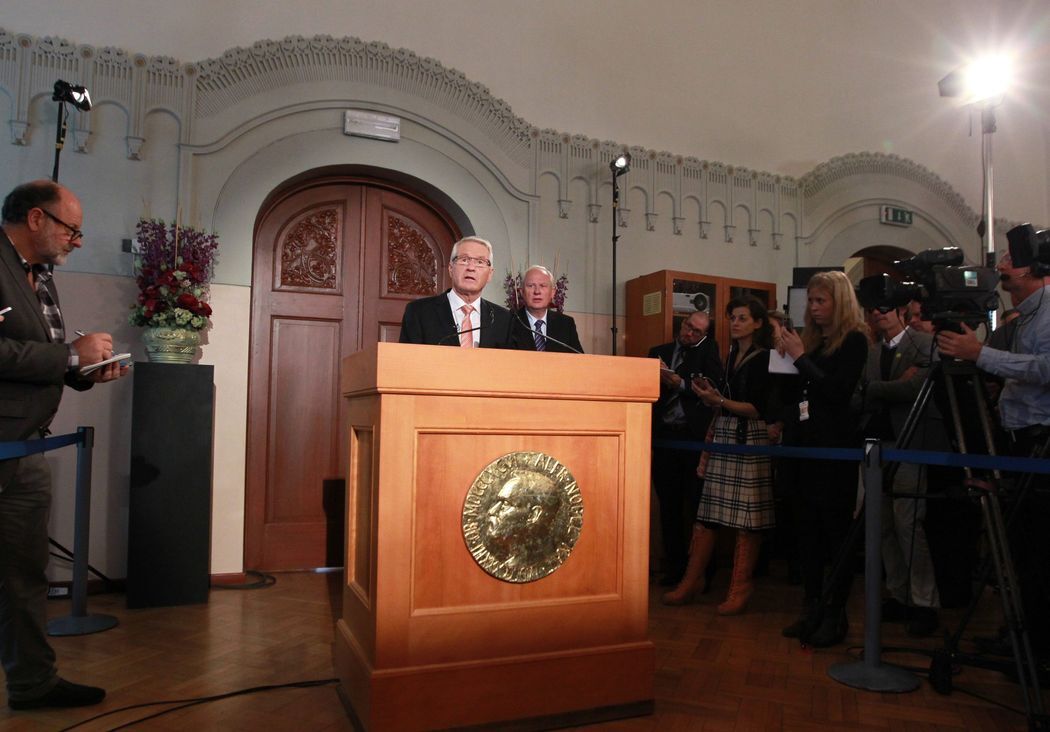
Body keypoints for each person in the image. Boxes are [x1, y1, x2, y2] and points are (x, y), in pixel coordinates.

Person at [0, 180, 129, 710]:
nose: (76, 241)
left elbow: (41, 356)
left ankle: (33, 683)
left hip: (25, 450)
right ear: (36, 219)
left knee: (24, 577)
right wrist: (71, 356)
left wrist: (86, 370)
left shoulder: (42, 276)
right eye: (71, 230)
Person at [937, 247, 1050, 658]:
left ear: (1038, 267)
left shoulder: (1049, 311)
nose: (1000, 267)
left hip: (1041, 442)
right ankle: (1023, 634)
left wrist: (979, 354)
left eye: (1011, 260)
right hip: (1019, 438)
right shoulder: (1028, 315)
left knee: (1039, 552)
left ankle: (1038, 647)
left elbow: (1046, 368)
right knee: (1024, 549)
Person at [663, 296, 774, 614]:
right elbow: (728, 398)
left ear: (757, 323)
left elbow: (758, 409)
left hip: (749, 437)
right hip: (724, 432)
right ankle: (692, 581)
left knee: (747, 519)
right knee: (707, 513)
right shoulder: (731, 354)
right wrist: (712, 396)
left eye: (742, 318)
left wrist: (718, 401)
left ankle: (740, 588)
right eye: (732, 318)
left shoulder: (764, 358)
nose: (735, 323)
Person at [778, 271, 869, 647]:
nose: (813, 308)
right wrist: (787, 359)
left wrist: (799, 358)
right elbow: (798, 393)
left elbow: (836, 393)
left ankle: (835, 613)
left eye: (821, 301)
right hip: (804, 447)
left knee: (835, 534)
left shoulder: (855, 341)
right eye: (811, 301)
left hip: (834, 450)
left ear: (839, 302)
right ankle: (812, 607)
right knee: (807, 533)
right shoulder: (813, 343)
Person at [856, 303, 942, 636]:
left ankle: (924, 602)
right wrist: (886, 388)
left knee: (908, 524)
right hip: (876, 443)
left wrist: (875, 389)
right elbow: (858, 396)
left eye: (886, 307)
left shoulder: (923, 343)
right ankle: (900, 594)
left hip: (909, 443)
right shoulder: (872, 351)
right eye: (873, 309)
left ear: (901, 310)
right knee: (882, 525)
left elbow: (915, 388)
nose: (879, 313)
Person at [648, 311, 722, 586]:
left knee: (697, 505)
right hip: (664, 438)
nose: (689, 333)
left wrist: (680, 384)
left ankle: (702, 571)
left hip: (693, 439)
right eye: (688, 326)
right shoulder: (659, 352)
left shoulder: (707, 352)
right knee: (669, 507)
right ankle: (674, 569)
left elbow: (713, 390)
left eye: (697, 331)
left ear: (704, 335)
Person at [399, 236, 513, 347]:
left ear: (490, 274)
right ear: (450, 269)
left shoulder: (504, 319)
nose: (471, 268)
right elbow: (408, 357)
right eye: (464, 260)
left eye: (480, 262)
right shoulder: (419, 312)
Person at [511, 265, 583, 353]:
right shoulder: (510, 322)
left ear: (553, 292)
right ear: (521, 292)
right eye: (531, 286)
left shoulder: (566, 324)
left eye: (543, 286)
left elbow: (579, 358)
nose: (537, 291)